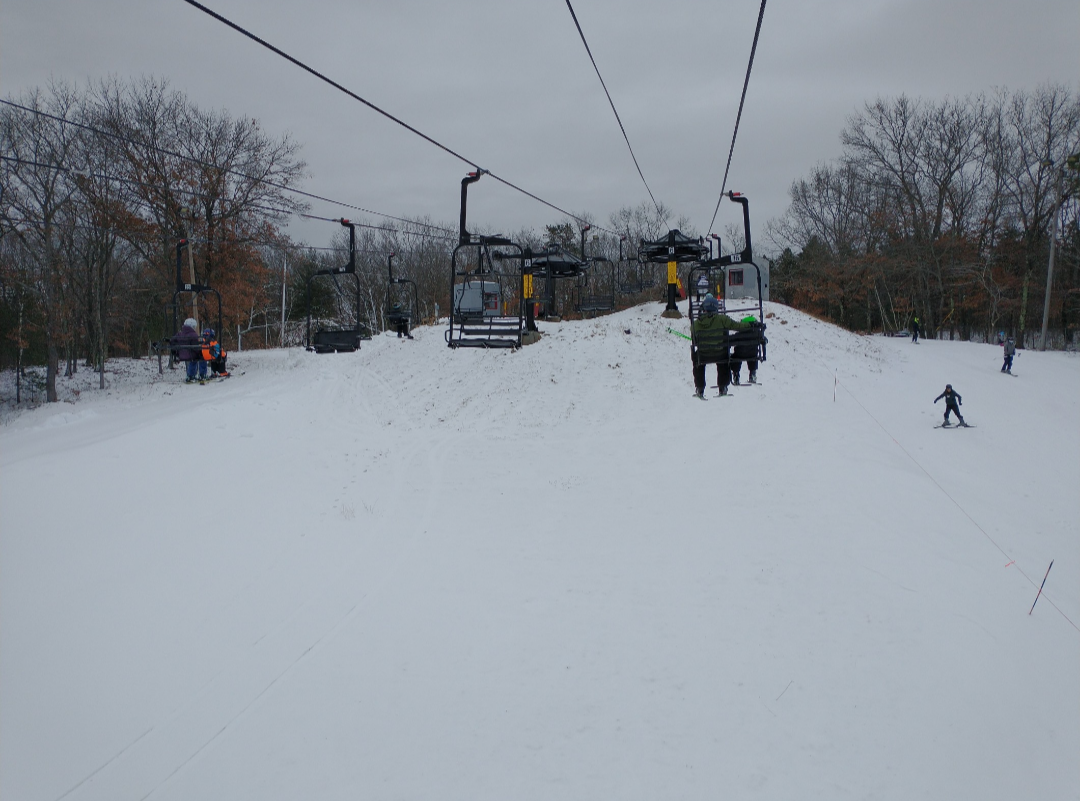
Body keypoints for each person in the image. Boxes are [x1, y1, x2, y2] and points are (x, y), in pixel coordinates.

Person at [691, 295, 753, 398]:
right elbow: (737, 326)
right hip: (720, 353)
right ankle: (723, 387)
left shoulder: (696, 324)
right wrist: (750, 325)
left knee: (697, 361)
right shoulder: (722, 319)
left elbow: (694, 340)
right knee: (724, 357)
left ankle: (700, 389)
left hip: (703, 355)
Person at [730, 315, 761, 385]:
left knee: (734, 358)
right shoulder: (757, 333)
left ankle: (736, 376)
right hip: (752, 354)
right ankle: (752, 374)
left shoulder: (739, 334)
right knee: (753, 357)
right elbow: (763, 340)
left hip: (739, 354)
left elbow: (731, 340)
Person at [174, 317, 206, 382]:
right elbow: (195, 348)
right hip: (190, 355)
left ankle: (190, 375)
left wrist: (176, 353)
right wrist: (200, 352)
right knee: (202, 357)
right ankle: (202, 374)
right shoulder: (193, 335)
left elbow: (173, 341)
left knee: (194, 358)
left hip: (181, 355)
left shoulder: (179, 334)